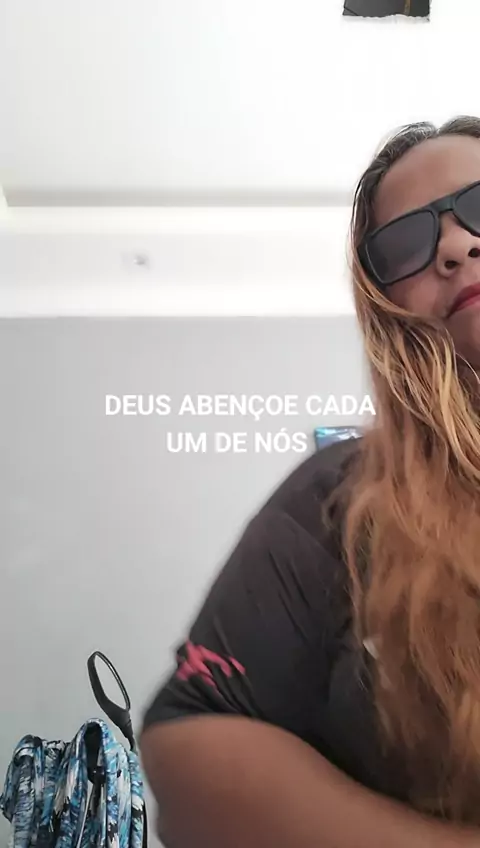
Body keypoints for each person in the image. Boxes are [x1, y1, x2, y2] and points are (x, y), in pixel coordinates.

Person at [140, 116, 480, 847]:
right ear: (386, 303)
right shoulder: (338, 499)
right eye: (407, 243)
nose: (455, 246)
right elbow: (188, 750)